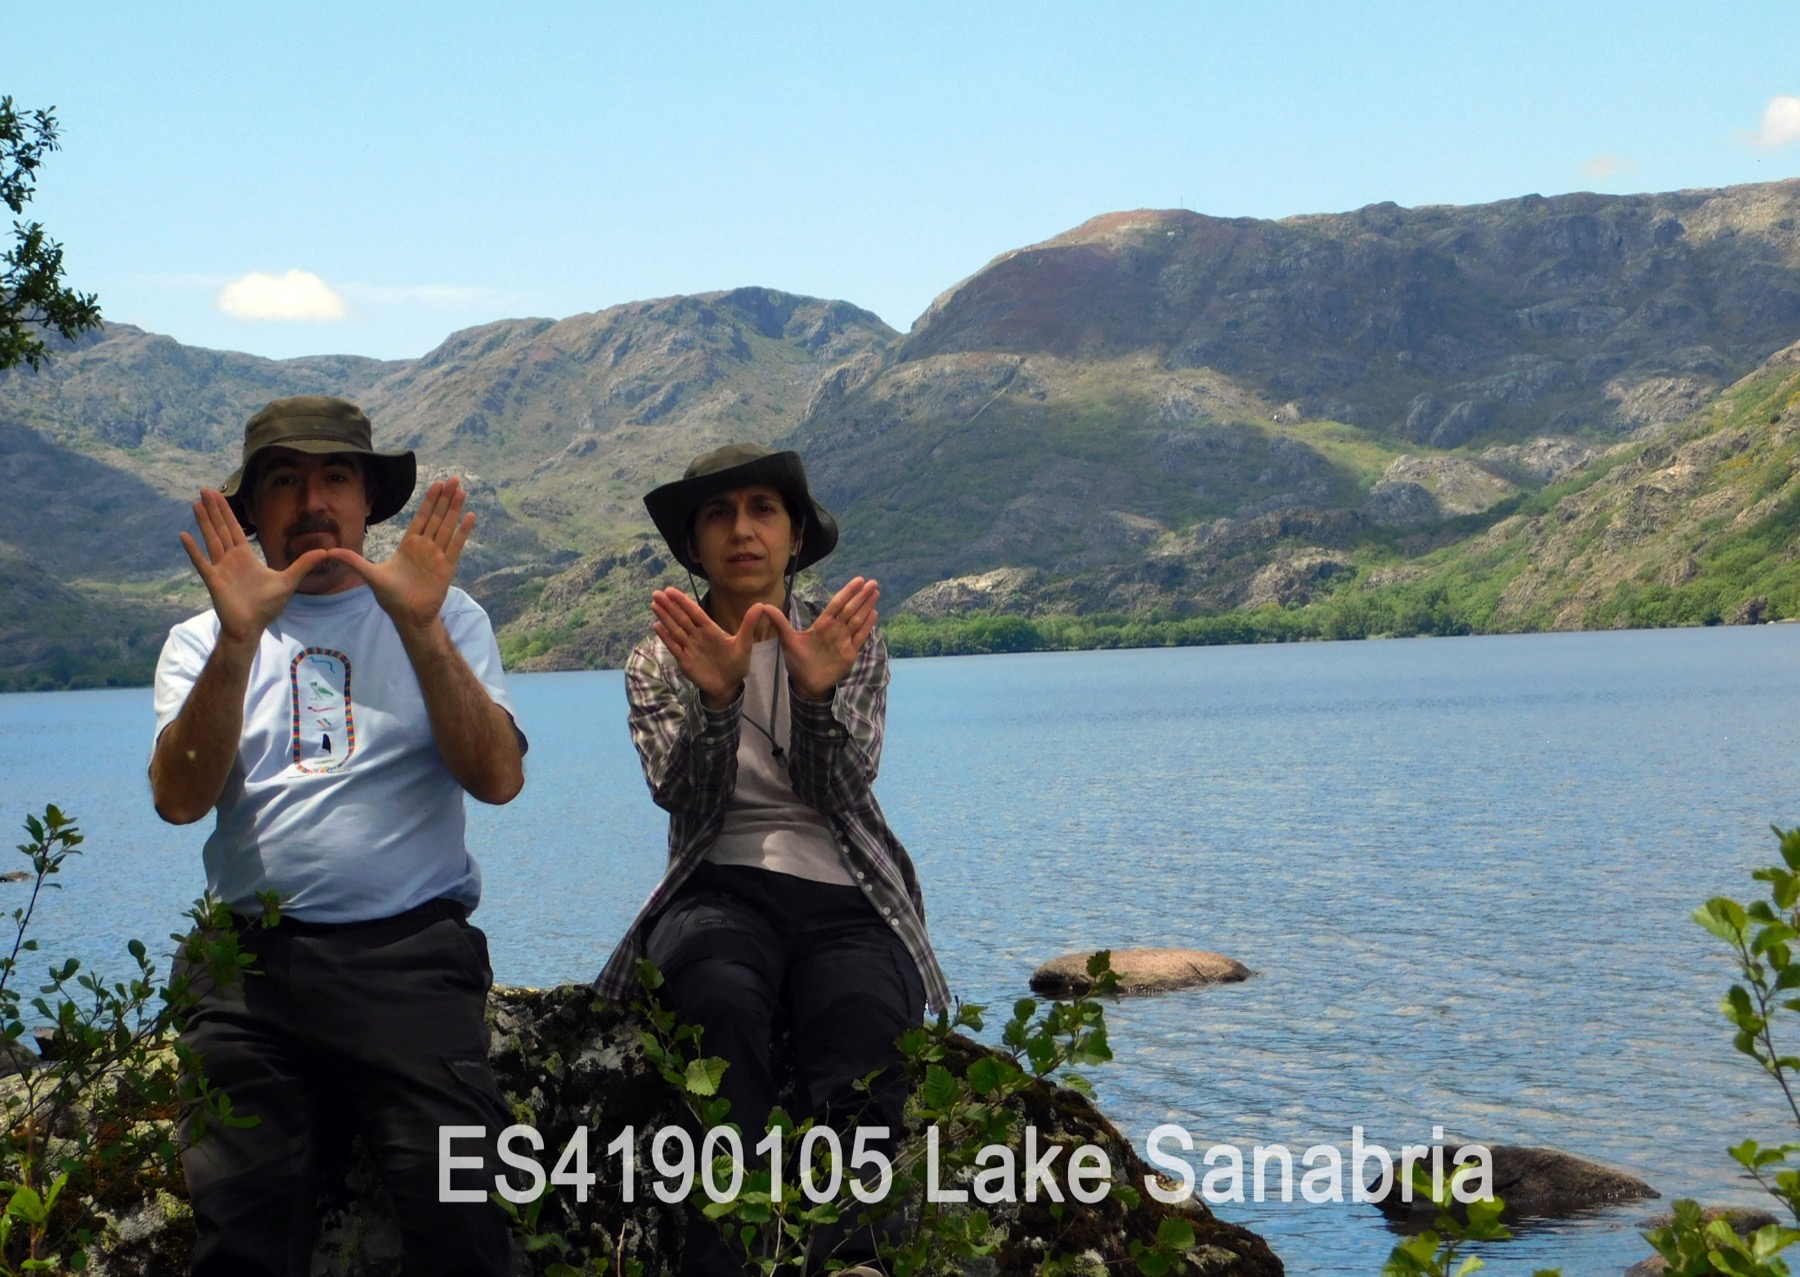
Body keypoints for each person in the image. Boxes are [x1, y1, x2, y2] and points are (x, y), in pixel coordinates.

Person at [149, 395, 527, 1277]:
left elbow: (499, 777)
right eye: (283, 480)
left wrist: (422, 627)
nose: (311, 499)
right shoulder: (199, 639)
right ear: (253, 508)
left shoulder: (447, 614)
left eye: (334, 476)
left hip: (411, 958)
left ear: (367, 503)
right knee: (241, 1239)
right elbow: (178, 798)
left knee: (465, 1227)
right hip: (249, 975)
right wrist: (240, 640)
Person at [596, 442, 950, 1277]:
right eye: (717, 513)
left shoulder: (846, 638)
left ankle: (855, 1259)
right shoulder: (658, 657)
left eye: (763, 509)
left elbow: (844, 783)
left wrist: (815, 691)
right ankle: (723, 1256)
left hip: (846, 890)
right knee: (717, 999)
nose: (742, 530)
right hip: (716, 886)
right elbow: (682, 794)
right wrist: (716, 700)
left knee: (863, 1018)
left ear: (795, 537)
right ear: (693, 546)